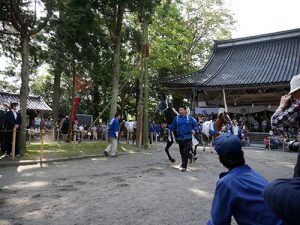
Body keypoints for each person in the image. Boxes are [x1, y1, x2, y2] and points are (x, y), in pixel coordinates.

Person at [207, 133, 284, 225]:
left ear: (220, 159)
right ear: (242, 154)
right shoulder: (254, 174)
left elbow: (219, 222)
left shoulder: (226, 183)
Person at [271, 73, 300, 177]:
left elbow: (275, 122)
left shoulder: (298, 106)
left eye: (292, 94)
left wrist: (281, 106)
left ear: (298, 91)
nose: (292, 97)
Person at [168, 105, 198, 172]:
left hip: (188, 137)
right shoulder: (177, 118)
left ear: (185, 111)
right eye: (179, 110)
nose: (180, 111)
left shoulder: (190, 118)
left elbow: (196, 125)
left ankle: (184, 166)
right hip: (180, 138)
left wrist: (194, 130)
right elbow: (173, 126)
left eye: (181, 110)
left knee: (185, 151)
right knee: (182, 152)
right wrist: (167, 126)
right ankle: (190, 156)